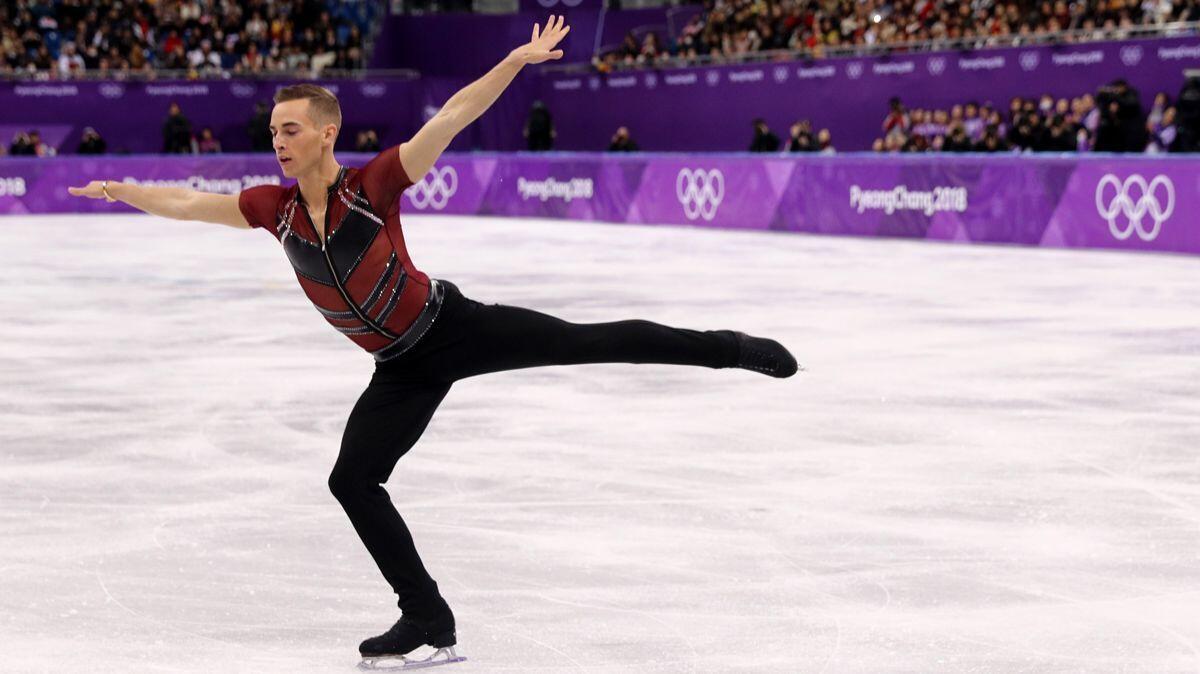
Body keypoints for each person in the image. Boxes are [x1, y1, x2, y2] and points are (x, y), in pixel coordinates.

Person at [66, 14, 797, 671]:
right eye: (273, 132)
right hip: (400, 368)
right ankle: (426, 614)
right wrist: (123, 191)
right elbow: (194, 204)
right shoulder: (273, 210)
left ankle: (728, 347)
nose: (277, 142)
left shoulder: (372, 186)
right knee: (352, 480)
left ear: (326, 131)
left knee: (588, 340)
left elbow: (451, 114)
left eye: (290, 130)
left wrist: (514, 60)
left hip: (452, 326)